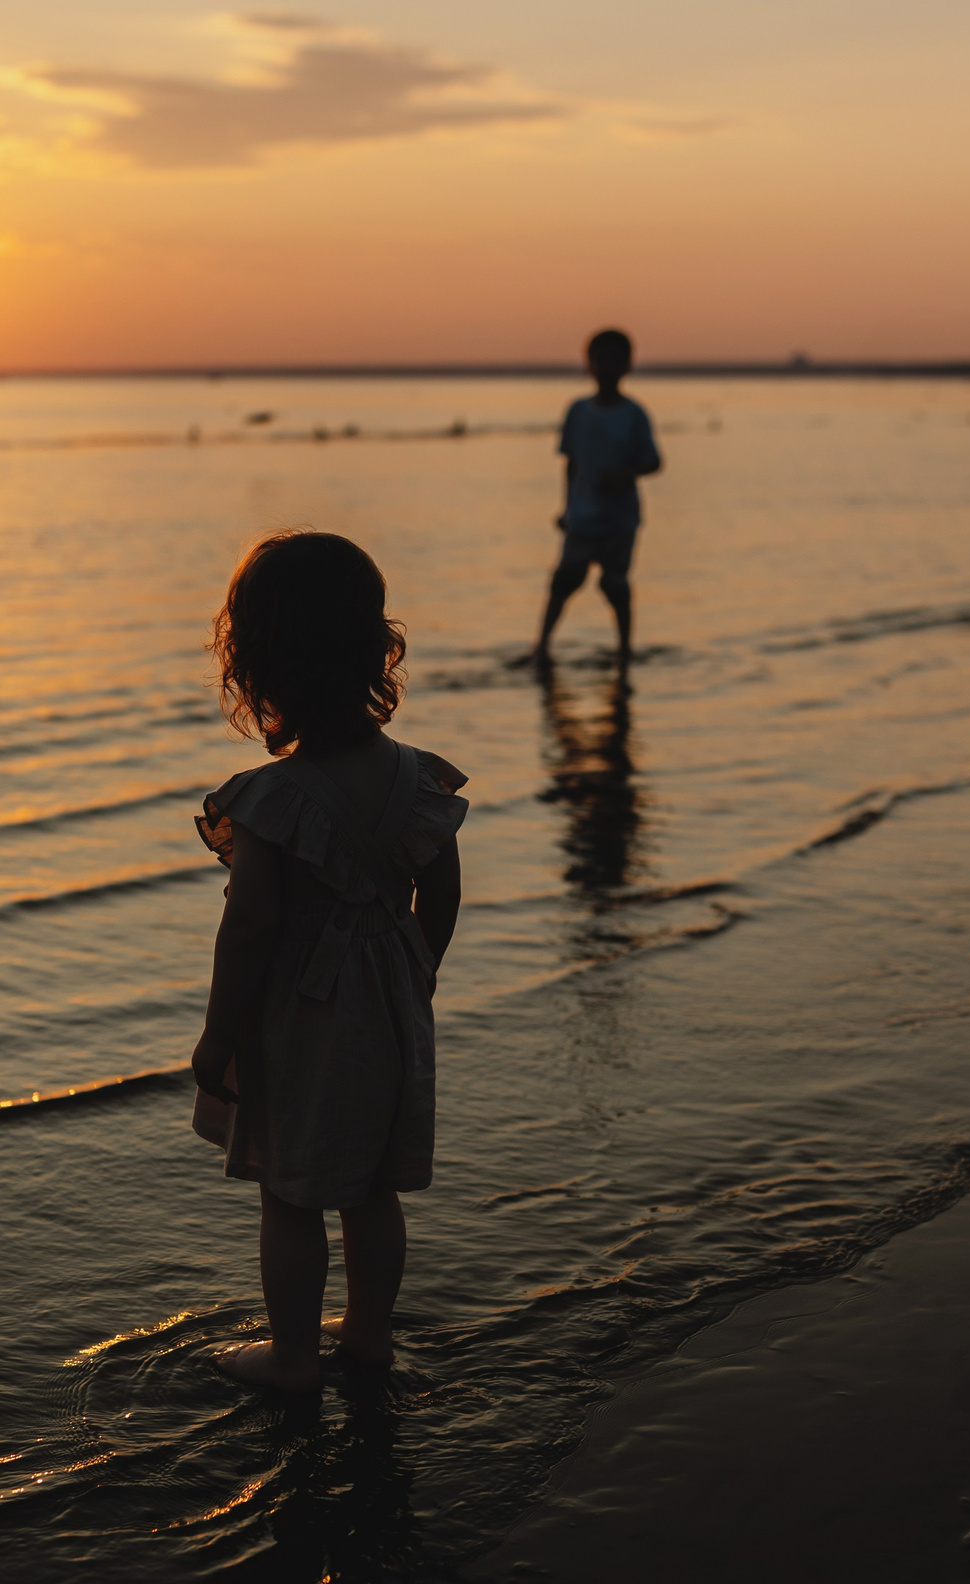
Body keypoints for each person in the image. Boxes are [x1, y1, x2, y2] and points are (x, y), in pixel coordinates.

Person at [191, 530, 469, 1393]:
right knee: (371, 1188)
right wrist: (414, 968)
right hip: (391, 1000)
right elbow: (444, 889)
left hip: (303, 1013)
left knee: (292, 1190)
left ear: (259, 662)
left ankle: (294, 1357)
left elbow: (250, 930)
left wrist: (218, 1033)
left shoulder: (273, 798)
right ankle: (371, 1339)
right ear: (372, 650)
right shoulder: (417, 779)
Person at [526, 327, 663, 669]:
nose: (607, 366)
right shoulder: (578, 411)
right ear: (589, 364)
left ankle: (625, 650)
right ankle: (541, 648)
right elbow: (570, 464)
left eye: (615, 359)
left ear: (627, 365)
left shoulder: (633, 414)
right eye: (601, 359)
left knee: (615, 584)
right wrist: (566, 507)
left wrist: (625, 474)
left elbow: (654, 460)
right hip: (583, 516)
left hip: (619, 520)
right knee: (564, 581)